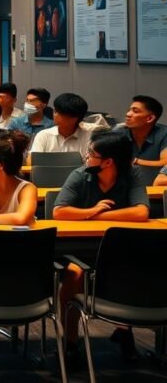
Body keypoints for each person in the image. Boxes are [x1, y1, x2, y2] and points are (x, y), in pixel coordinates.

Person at [53, 131, 150, 361]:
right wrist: (90, 211)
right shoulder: (80, 175)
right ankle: (71, 342)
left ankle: (125, 329)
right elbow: (59, 211)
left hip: (119, 248)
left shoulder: (132, 174)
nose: (87, 157)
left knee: (136, 267)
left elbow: (141, 212)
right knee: (74, 274)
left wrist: (96, 216)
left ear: (108, 162)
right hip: (78, 249)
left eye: (91, 154)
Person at [28, 93, 92, 163]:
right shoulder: (43, 135)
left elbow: (89, 166)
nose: (55, 115)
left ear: (75, 118)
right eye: (55, 111)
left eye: (60, 112)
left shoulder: (89, 138)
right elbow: (31, 161)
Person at [120, 95, 167, 168]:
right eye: (129, 110)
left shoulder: (164, 134)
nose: (128, 114)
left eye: (135, 111)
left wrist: (135, 161)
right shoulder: (119, 132)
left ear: (150, 118)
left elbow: (165, 163)